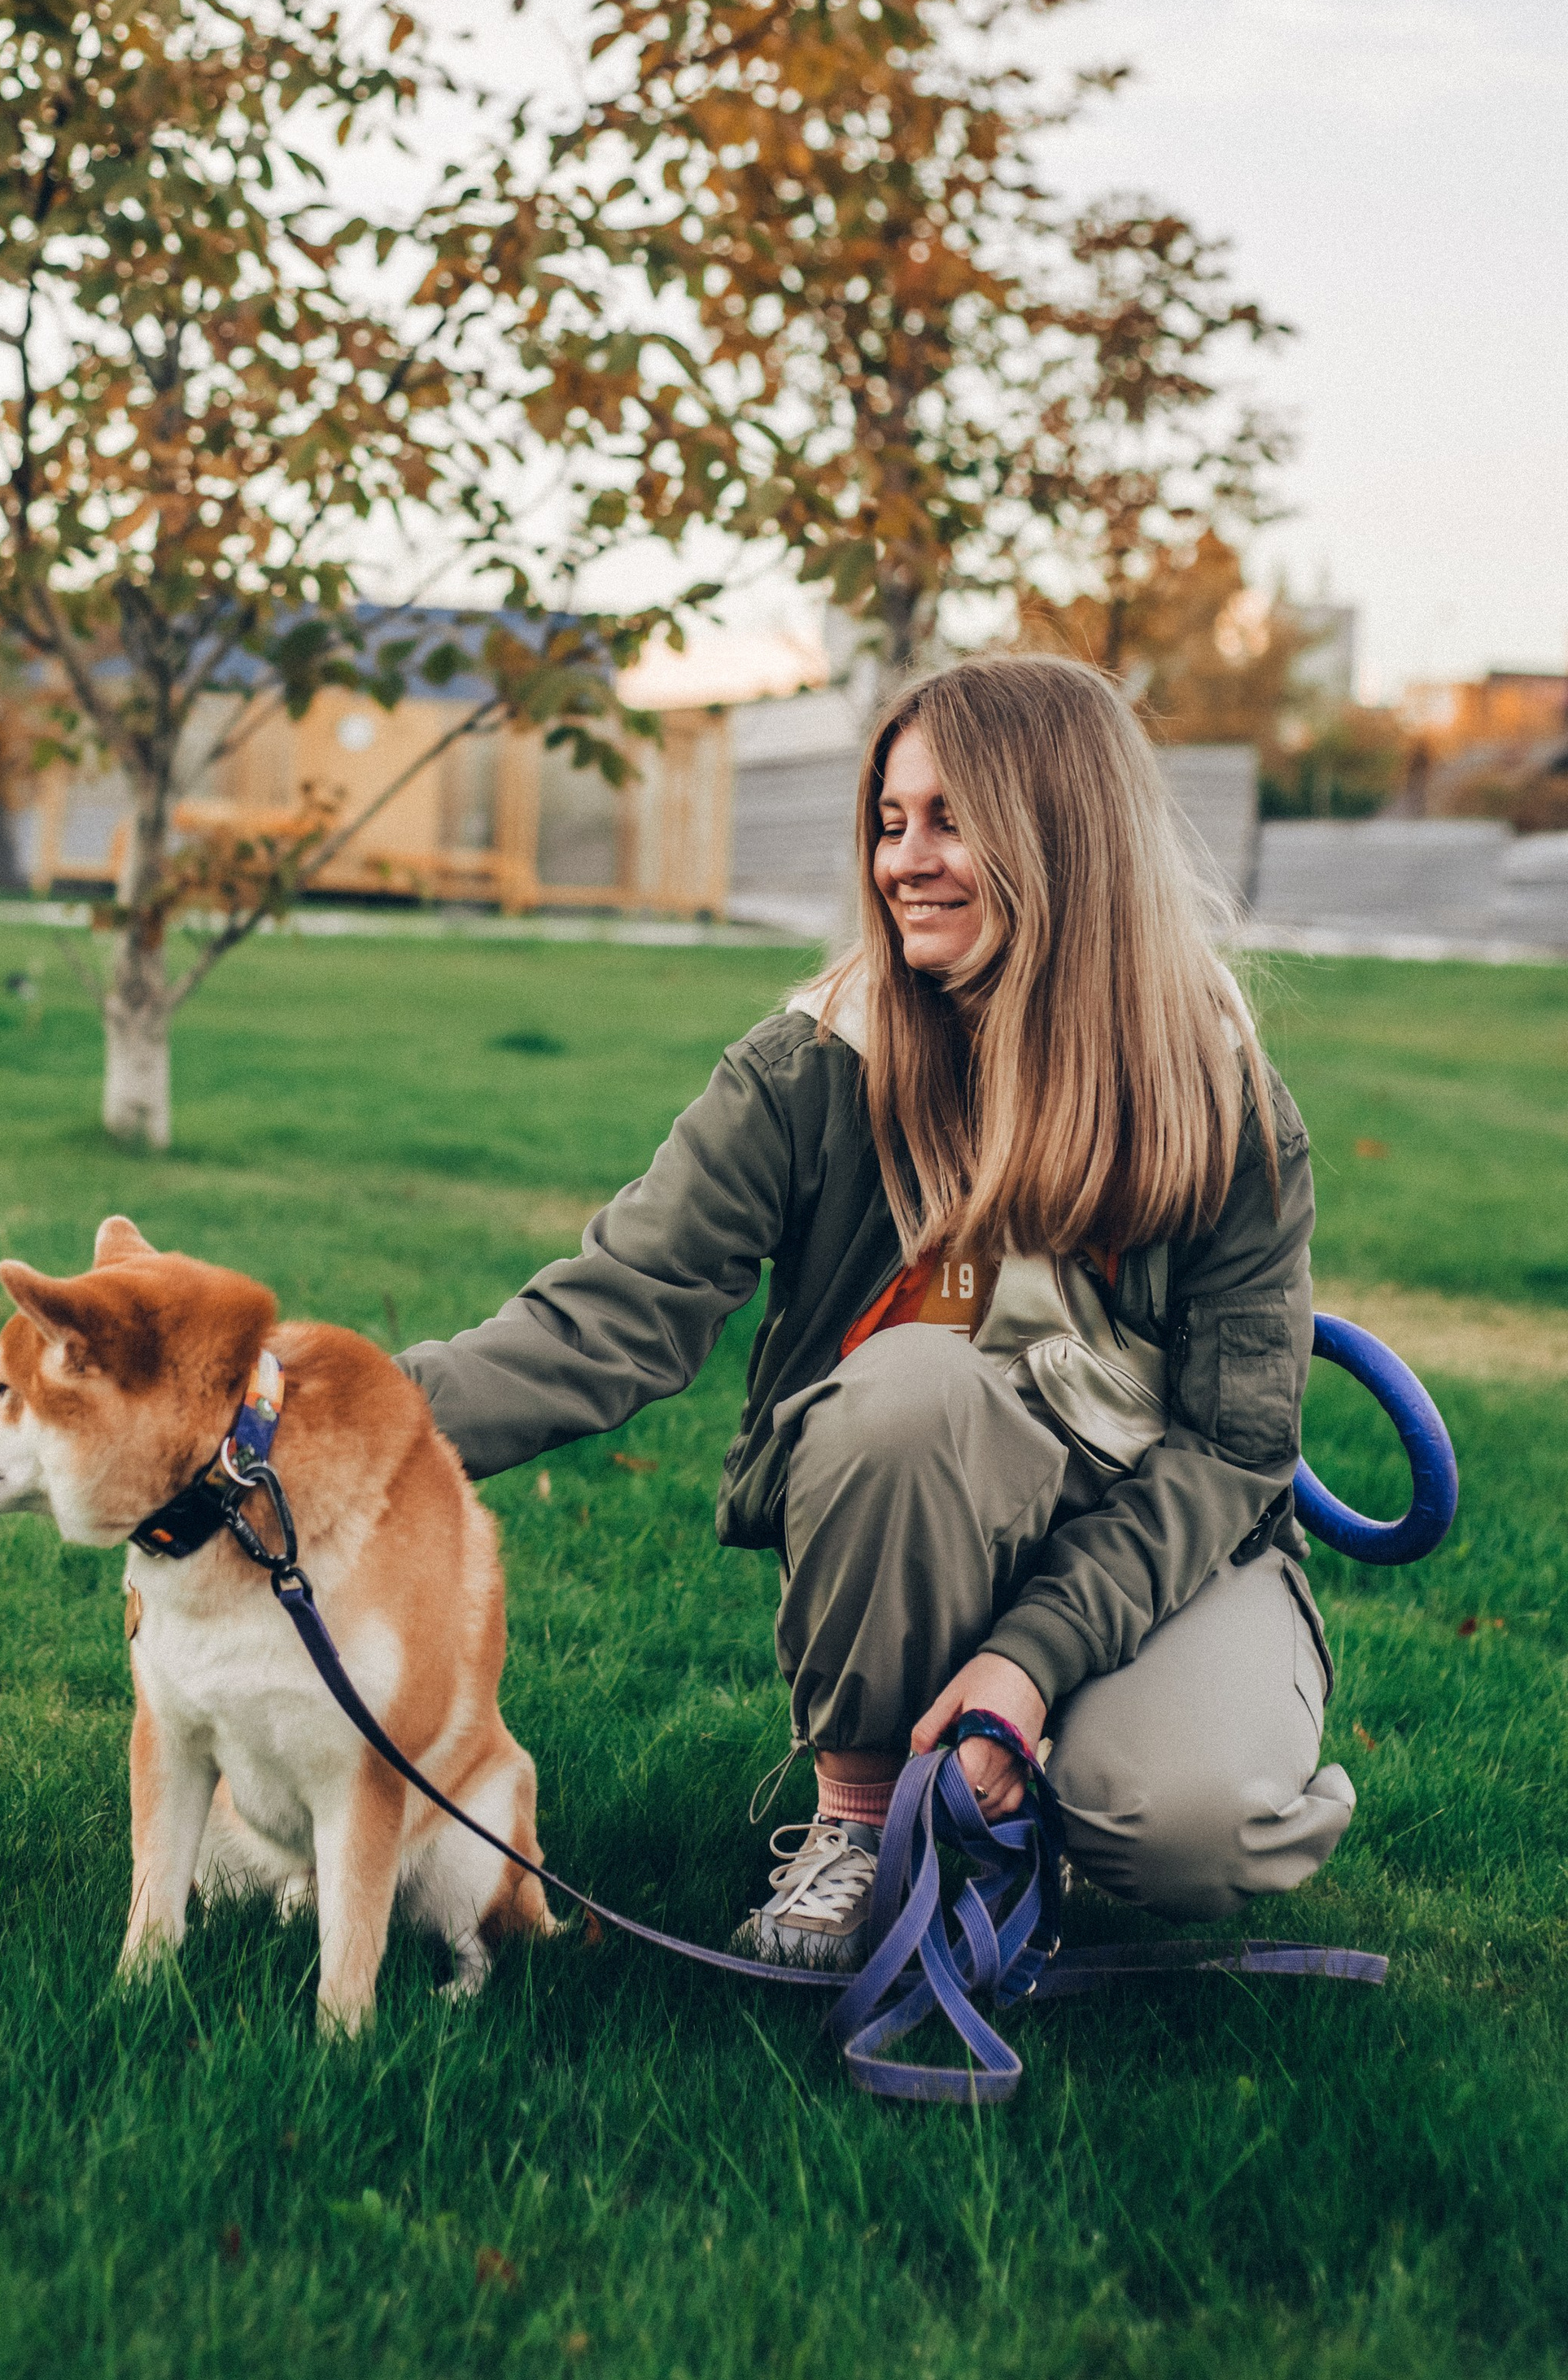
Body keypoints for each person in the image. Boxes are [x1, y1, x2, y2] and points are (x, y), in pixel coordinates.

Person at [400, 653, 1355, 1969]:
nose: (905, 859)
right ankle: (862, 1826)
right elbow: (614, 1310)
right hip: (918, 1499)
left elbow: (1238, 1447)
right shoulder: (810, 1067)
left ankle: (1043, 1785)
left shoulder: (1217, 1094)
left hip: (1165, 1531)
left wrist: (1035, 1658)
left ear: (1061, 833)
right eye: (890, 822)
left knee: (1183, 1825)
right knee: (909, 1387)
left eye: (952, 820)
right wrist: (335, 1414)